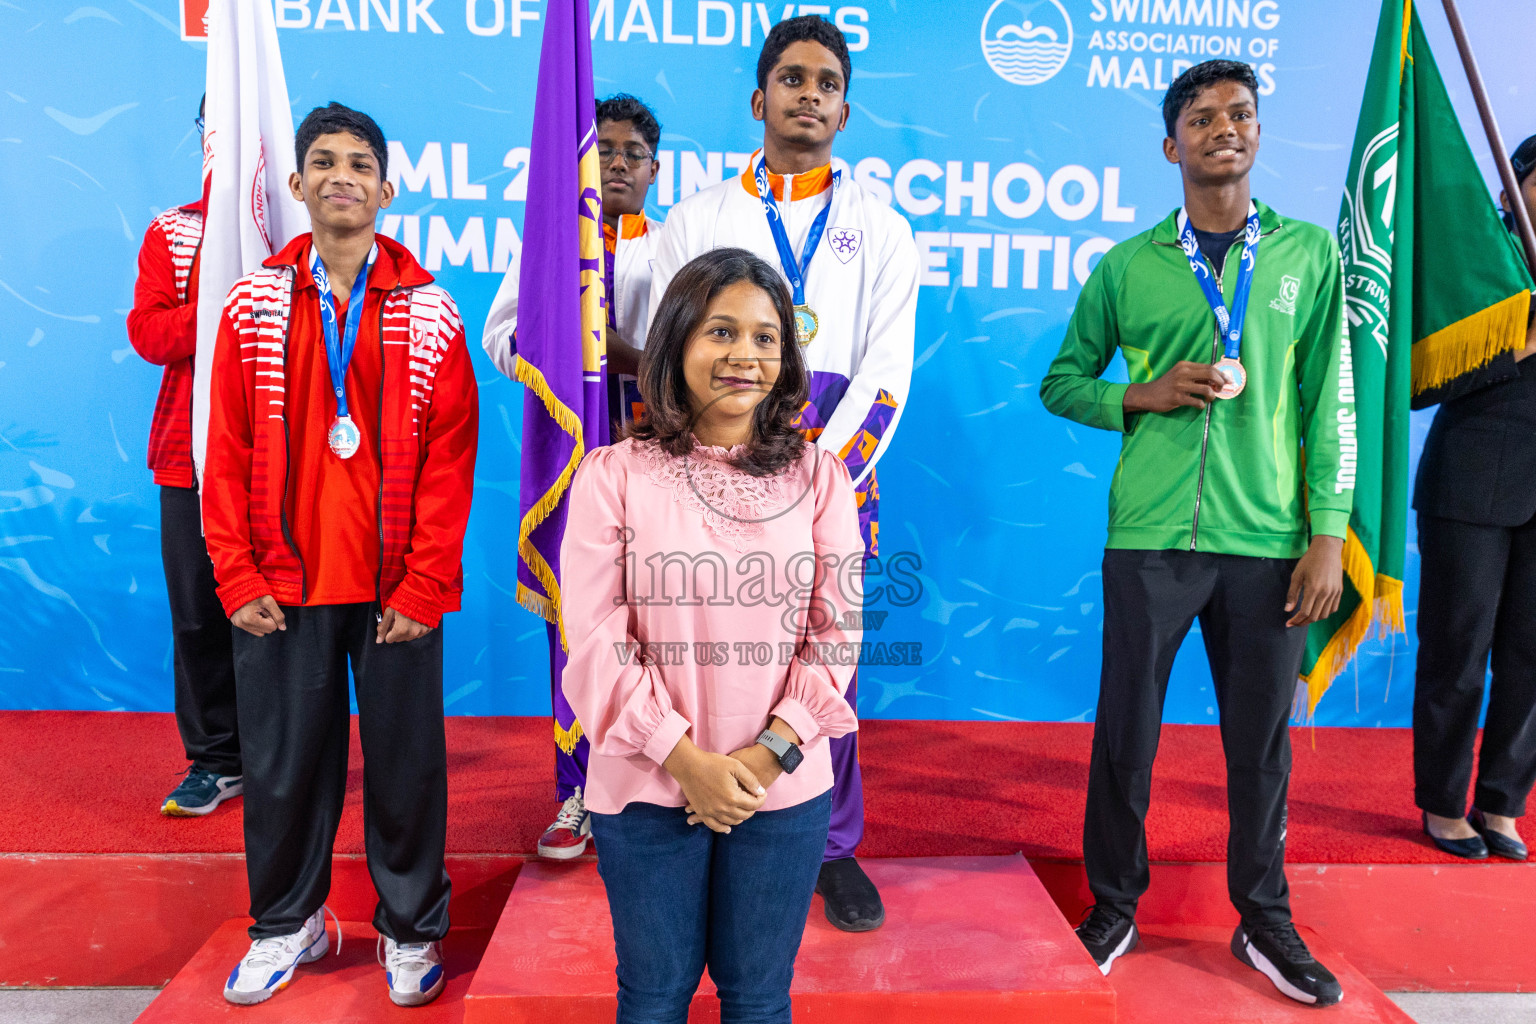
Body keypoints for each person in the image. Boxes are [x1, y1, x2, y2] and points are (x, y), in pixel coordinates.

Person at [1040, 60, 1352, 1006]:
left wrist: (1329, 533)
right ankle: (1114, 906)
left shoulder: (1306, 256)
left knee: (1261, 744)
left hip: (1270, 543)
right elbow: (1063, 382)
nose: (1226, 127)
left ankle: (1265, 919)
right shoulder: (1129, 264)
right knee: (1126, 731)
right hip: (1150, 538)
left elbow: (1328, 402)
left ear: (1258, 136)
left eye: (1242, 114)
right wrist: (1142, 392)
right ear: (1171, 144)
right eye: (1203, 116)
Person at [202, 103, 478, 1008]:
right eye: (322, 161)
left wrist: (428, 583)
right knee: (283, 767)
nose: (341, 176)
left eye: (360, 162)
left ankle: (409, 928)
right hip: (284, 583)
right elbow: (228, 447)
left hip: (396, 586)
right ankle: (290, 923)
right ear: (297, 185)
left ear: (387, 189)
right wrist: (236, 575)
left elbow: (449, 461)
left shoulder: (431, 311)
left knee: (406, 766)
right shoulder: (250, 305)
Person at [648, 14, 917, 933]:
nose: (810, 94)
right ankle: (703, 799)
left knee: (824, 662)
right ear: (759, 99)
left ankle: (831, 844)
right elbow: (670, 345)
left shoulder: (881, 227)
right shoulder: (697, 216)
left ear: (846, 110)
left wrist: (809, 478)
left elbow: (886, 374)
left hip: (827, 469)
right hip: (707, 463)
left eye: (827, 83)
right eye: (792, 79)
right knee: (703, 643)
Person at [561, 247, 861, 1023]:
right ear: (679, 343)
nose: (746, 356)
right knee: (654, 998)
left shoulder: (820, 477)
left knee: (759, 1000)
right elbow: (595, 638)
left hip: (783, 785)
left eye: (768, 338)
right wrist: (682, 759)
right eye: (722, 332)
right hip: (649, 785)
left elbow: (836, 633)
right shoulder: (613, 475)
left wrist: (769, 755)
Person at [483, 93, 664, 860]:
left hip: (658, 470)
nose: (617, 163)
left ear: (656, 169)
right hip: (573, 471)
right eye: (606, 150)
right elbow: (501, 334)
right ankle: (579, 795)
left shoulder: (677, 246)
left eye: (633, 153)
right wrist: (565, 351)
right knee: (579, 630)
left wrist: (627, 359)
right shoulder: (549, 247)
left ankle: (656, 787)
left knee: (660, 631)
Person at [1412, 133, 1536, 863]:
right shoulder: (1472, 260)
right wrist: (1515, 343)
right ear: (1513, 185)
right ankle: (1441, 801)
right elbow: (1421, 379)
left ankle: (1502, 803)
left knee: (1531, 656)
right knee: (1458, 650)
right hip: (1471, 486)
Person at [127, 95, 243, 818]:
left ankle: (283, 757)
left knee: (285, 615)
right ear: (203, 134)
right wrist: (227, 302)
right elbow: (150, 334)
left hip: (286, 462)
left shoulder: (294, 231)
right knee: (199, 615)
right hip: (188, 458)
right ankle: (215, 761)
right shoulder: (173, 232)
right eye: (216, 123)